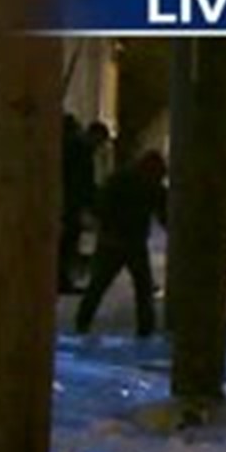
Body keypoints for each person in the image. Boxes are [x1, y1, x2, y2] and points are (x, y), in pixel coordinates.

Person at [75, 150, 168, 338]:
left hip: (119, 240)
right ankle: (144, 328)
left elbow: (101, 205)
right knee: (136, 286)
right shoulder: (138, 183)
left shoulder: (125, 180)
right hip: (124, 240)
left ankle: (83, 322)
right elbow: (163, 213)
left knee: (102, 284)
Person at [59, 115, 100, 294]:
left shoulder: (70, 146)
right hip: (70, 205)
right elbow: (82, 182)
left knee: (65, 245)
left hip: (67, 204)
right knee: (67, 245)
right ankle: (63, 281)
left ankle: (62, 280)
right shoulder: (81, 150)